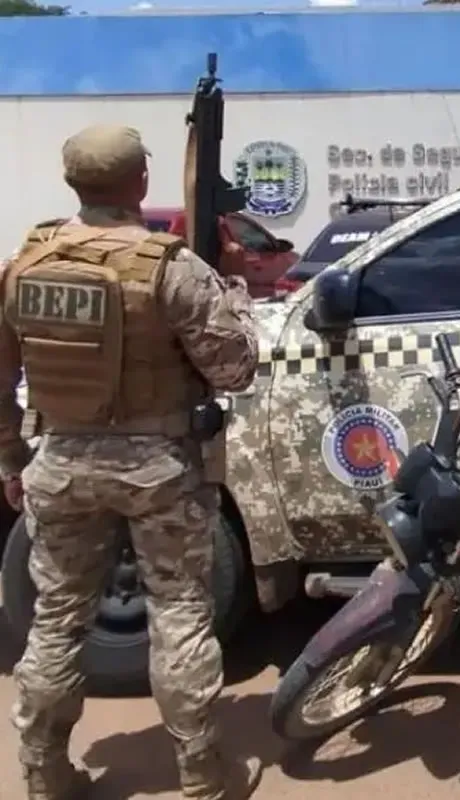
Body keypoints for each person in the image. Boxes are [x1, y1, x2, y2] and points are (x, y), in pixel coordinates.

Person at [2, 123, 262, 799]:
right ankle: (203, 780)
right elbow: (234, 369)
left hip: (58, 460)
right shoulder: (168, 266)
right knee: (178, 613)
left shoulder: (24, 264)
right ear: (140, 183)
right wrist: (233, 289)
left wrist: (9, 461)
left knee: (57, 620)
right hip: (157, 468)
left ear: (73, 183)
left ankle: (44, 777)